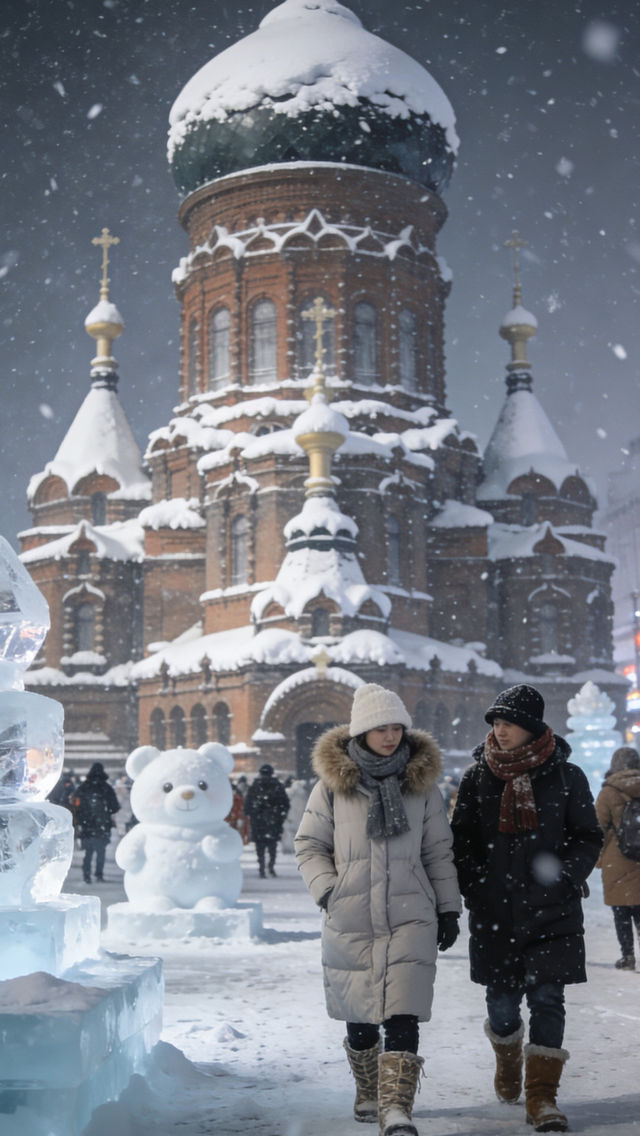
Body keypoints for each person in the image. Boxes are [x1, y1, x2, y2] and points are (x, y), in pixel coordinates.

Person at [295, 684, 461, 1136]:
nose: (390, 737)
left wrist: (448, 909)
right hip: (351, 915)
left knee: (403, 1013)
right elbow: (309, 844)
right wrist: (330, 891)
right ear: (362, 732)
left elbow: (438, 852)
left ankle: (396, 1108)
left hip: (410, 913)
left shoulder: (421, 785)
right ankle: (368, 1088)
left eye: (397, 728)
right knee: (362, 1017)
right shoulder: (332, 787)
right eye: (381, 729)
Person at [451, 684, 602, 1133]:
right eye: (496, 722)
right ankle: (507, 1056)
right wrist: (477, 886)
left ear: (532, 728)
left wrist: (566, 877)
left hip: (552, 911)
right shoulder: (477, 777)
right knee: (501, 1005)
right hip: (495, 912)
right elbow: (461, 841)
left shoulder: (567, 777)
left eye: (509, 723)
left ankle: (542, 1097)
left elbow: (588, 836)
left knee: (548, 1000)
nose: (500, 730)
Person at [595, 746, 640, 970]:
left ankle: (628, 956)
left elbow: (598, 829)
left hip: (617, 858)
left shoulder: (608, 792)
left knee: (621, 912)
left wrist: (596, 858)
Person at [74, 762, 120, 883]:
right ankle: (99, 875)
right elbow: (115, 807)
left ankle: (86, 875)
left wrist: (82, 817)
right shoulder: (106, 788)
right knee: (101, 852)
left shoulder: (84, 787)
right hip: (102, 825)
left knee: (88, 852)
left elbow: (75, 804)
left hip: (87, 825)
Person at [244, 763, 290, 877]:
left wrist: (252, 814)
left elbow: (247, 805)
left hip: (258, 821)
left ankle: (261, 867)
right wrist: (280, 815)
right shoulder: (278, 786)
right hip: (273, 821)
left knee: (260, 847)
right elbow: (285, 804)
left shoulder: (254, 786)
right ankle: (271, 866)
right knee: (272, 846)